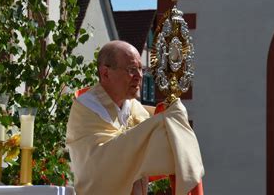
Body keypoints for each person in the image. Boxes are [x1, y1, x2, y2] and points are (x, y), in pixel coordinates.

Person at [66, 40, 204, 194]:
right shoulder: (86, 108)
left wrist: (171, 119)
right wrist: (160, 124)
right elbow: (100, 167)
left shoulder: (134, 108)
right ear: (105, 73)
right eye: (131, 69)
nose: (139, 76)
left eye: (141, 69)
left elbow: (149, 148)